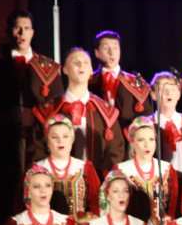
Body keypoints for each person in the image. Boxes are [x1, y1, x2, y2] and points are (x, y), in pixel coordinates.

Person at [0, 9, 64, 169]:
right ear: (9, 31)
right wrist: (4, 114)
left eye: (27, 28)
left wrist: (36, 115)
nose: (22, 32)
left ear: (32, 32)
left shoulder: (48, 68)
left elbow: (59, 104)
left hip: (38, 142)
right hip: (2, 142)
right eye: (17, 27)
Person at [34, 47, 125, 178]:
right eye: (75, 62)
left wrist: (101, 177)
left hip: (97, 183)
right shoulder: (49, 110)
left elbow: (116, 149)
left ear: (91, 70)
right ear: (65, 69)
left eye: (85, 62)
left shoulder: (105, 111)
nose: (81, 65)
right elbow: (38, 149)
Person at [32, 114, 101, 225]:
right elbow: (24, 203)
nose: (60, 141)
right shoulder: (37, 169)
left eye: (65, 136)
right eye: (55, 137)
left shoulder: (85, 168)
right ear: (47, 140)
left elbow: (97, 203)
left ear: (72, 139)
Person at [115, 116, 179, 225]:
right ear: (132, 142)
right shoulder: (121, 171)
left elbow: (172, 207)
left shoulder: (166, 169)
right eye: (141, 140)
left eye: (151, 139)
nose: (147, 145)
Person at [88, 30, 153, 129]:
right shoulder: (89, 82)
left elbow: (147, 115)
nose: (111, 53)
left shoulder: (134, 82)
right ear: (97, 53)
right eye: (106, 48)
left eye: (115, 48)